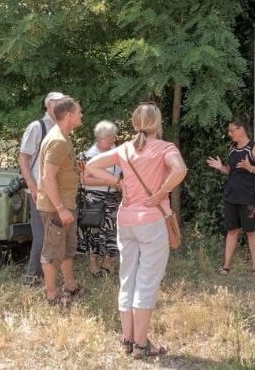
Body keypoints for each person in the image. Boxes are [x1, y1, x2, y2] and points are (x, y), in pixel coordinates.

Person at [86, 102, 186, 358]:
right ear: (158, 124)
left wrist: (117, 182)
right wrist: (163, 191)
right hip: (151, 221)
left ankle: (127, 341)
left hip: (125, 220)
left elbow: (91, 166)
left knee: (127, 279)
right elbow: (180, 169)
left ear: (134, 124)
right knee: (147, 282)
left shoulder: (125, 149)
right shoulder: (165, 148)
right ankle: (142, 346)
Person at [36, 96, 83, 305]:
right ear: (70, 115)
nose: (82, 115)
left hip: (65, 206)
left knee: (66, 249)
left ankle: (70, 286)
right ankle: (52, 294)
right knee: (52, 252)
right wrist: (61, 208)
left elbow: (60, 170)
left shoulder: (65, 137)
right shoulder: (58, 141)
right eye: (79, 112)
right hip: (56, 208)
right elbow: (48, 177)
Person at [206, 114, 255, 276]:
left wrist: (250, 168)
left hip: (249, 198)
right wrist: (221, 167)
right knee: (232, 230)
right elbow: (231, 171)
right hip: (231, 197)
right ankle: (226, 266)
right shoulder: (232, 149)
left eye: (232, 130)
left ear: (241, 130)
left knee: (250, 231)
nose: (229, 133)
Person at [19, 91, 64, 286]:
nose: (60, 107)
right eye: (56, 104)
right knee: (42, 237)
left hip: (55, 192)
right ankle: (32, 278)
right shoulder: (37, 127)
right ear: (48, 106)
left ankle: (48, 278)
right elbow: (23, 159)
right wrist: (33, 188)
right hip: (40, 192)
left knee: (53, 235)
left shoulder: (61, 129)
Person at [77, 120, 122, 276]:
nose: (113, 140)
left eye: (113, 136)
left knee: (112, 230)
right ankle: (93, 263)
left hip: (113, 198)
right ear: (100, 138)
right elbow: (83, 180)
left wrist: (116, 184)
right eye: (110, 137)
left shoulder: (117, 152)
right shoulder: (86, 156)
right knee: (93, 231)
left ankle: (108, 262)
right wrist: (111, 181)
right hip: (93, 200)